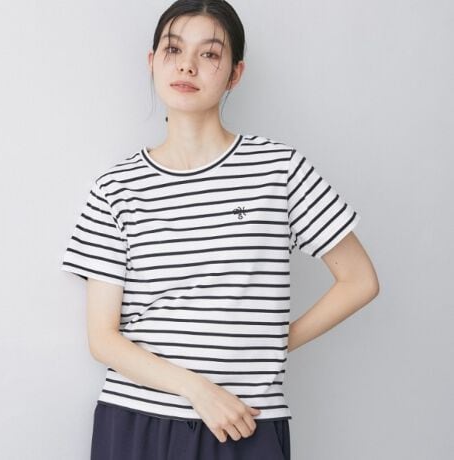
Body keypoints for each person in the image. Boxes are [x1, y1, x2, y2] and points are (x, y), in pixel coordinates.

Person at [61, 1, 379, 459]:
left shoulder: (279, 170)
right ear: (152, 62)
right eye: (173, 49)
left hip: (244, 421)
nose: (187, 65)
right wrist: (198, 390)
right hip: (138, 420)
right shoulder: (115, 188)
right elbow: (103, 338)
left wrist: (271, 346)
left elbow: (359, 280)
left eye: (209, 53)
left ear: (235, 74)